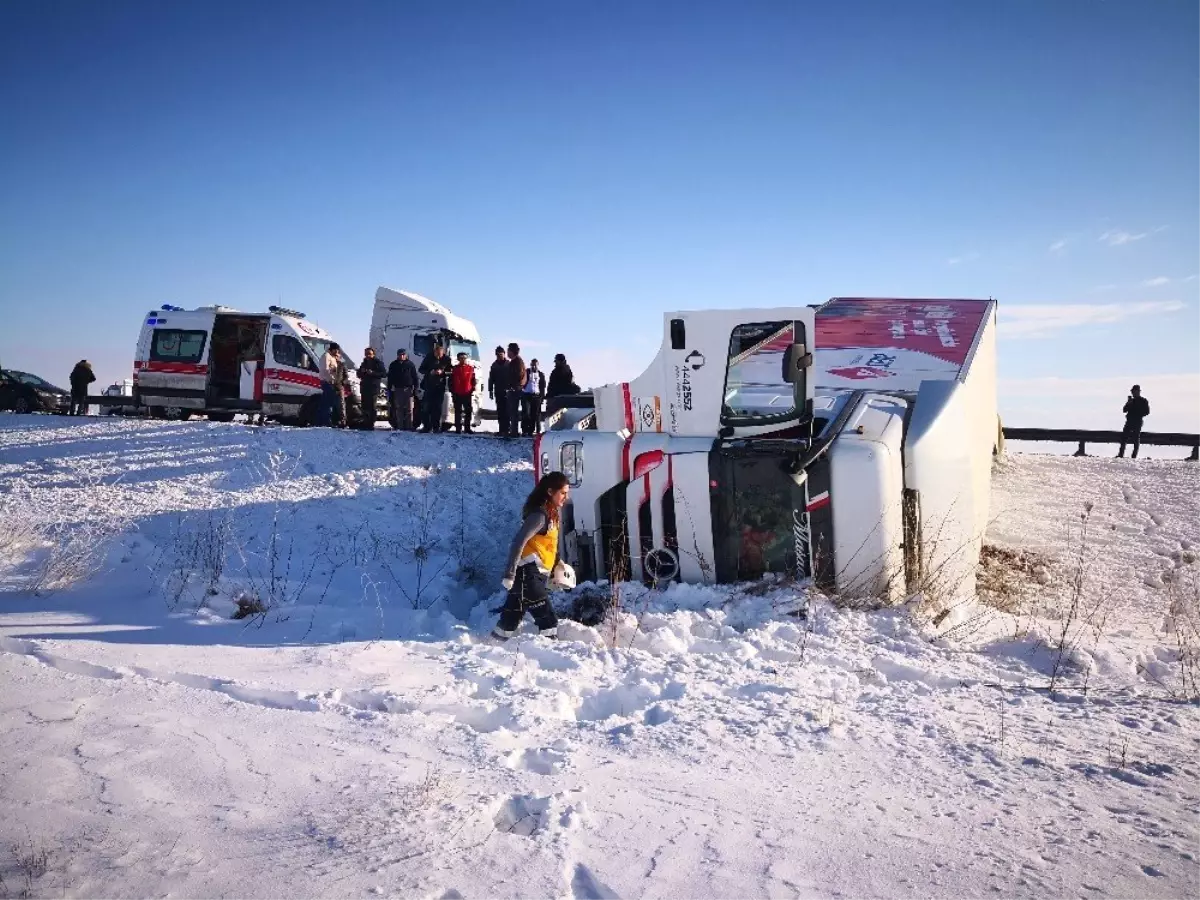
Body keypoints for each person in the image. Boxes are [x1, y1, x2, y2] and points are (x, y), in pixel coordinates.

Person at [494, 472, 568, 640]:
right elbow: (518, 541)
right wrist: (509, 573)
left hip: (532, 575)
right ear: (550, 492)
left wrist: (557, 566)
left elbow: (547, 546)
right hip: (528, 575)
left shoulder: (550, 515)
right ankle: (551, 659)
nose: (566, 497)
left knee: (508, 623)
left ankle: (488, 649)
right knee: (548, 621)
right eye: (562, 493)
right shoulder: (540, 515)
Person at [418, 343, 453, 432]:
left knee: (437, 408)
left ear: (443, 352)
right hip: (428, 386)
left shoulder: (447, 359)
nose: (438, 355)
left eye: (440, 354)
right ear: (434, 351)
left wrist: (443, 372)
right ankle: (426, 426)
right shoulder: (428, 357)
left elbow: (451, 372)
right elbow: (421, 369)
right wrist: (430, 372)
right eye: (437, 353)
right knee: (426, 407)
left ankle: (436, 427)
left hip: (440, 387)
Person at [387, 348, 419, 431]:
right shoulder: (393, 365)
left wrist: (415, 388)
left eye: (403, 354)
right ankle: (400, 426)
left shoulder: (410, 364)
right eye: (400, 354)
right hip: (398, 389)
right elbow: (390, 378)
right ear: (397, 355)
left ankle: (409, 426)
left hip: (408, 389)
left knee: (409, 409)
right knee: (399, 408)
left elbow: (415, 377)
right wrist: (389, 389)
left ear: (406, 355)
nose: (401, 356)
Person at [357, 347, 386, 430]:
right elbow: (358, 374)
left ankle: (371, 423)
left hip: (373, 387)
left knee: (372, 406)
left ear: (373, 354)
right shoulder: (364, 363)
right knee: (364, 406)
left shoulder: (378, 363)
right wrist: (361, 372)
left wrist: (373, 373)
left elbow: (383, 374)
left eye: (369, 354)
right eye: (366, 354)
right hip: (365, 387)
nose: (368, 356)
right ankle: (365, 422)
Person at [1118, 384, 1150, 459]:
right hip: (1129, 421)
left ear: (1138, 392)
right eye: (1132, 391)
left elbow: (1147, 412)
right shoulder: (1131, 401)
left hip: (1137, 421)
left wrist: (1138, 413)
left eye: (1134, 391)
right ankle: (1120, 454)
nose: (1133, 393)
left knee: (1136, 438)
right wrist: (1129, 403)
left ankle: (1134, 456)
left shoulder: (1143, 401)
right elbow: (1124, 410)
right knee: (1124, 437)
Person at [318, 343, 344, 427]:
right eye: (336, 349)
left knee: (327, 402)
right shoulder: (326, 356)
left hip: (330, 382)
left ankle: (324, 421)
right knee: (327, 403)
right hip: (327, 382)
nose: (337, 351)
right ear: (332, 349)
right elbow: (325, 369)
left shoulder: (332, 357)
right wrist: (331, 378)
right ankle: (325, 422)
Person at [450, 352, 477, 434]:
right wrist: (452, 390)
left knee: (468, 411)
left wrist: (472, 389)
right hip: (457, 393)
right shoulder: (454, 368)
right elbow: (450, 381)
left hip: (467, 393)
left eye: (464, 358)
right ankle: (458, 428)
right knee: (458, 411)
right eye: (461, 358)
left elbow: (473, 380)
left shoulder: (471, 368)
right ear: (458, 359)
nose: (463, 359)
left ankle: (467, 428)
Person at [505, 342, 526, 440]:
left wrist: (513, 386)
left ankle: (514, 431)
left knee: (513, 411)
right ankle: (513, 430)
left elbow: (519, 376)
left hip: (515, 390)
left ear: (512, 351)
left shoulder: (517, 362)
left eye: (508, 350)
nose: (507, 353)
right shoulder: (515, 362)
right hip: (514, 389)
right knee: (512, 411)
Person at [488, 346, 511, 437]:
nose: (499, 356)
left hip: (508, 391)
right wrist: (490, 390)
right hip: (498, 391)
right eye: (498, 354)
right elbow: (491, 379)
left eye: (501, 354)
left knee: (507, 411)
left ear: (504, 354)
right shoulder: (494, 365)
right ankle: (501, 429)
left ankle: (507, 429)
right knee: (500, 411)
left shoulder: (509, 364)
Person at [521, 358, 546, 435]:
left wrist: (542, 397)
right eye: (532, 365)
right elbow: (521, 380)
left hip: (536, 396)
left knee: (534, 414)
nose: (534, 367)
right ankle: (524, 430)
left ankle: (531, 431)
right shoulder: (527, 372)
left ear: (538, 365)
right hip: (526, 394)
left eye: (535, 365)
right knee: (526, 413)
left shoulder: (541, 374)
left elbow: (542, 386)